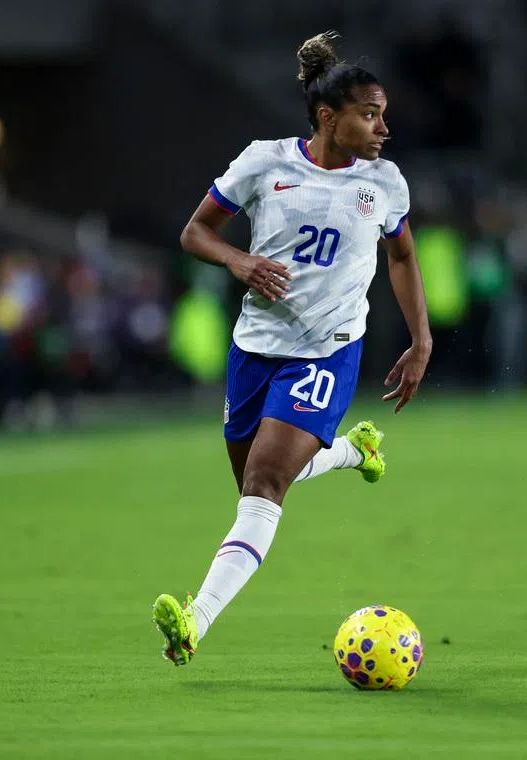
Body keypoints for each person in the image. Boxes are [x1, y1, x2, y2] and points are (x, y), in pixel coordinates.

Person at [152, 31, 433, 667]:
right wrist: (240, 261)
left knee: (265, 480)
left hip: (328, 351)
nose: (383, 126)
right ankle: (349, 453)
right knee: (259, 479)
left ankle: (194, 623)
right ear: (329, 118)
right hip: (255, 347)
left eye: (384, 113)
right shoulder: (264, 164)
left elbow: (403, 256)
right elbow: (195, 232)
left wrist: (422, 339)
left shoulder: (384, 182)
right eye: (370, 113)